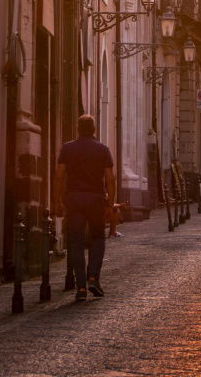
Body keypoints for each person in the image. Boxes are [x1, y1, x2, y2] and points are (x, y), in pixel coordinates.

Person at [54, 114, 115, 302]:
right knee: (97, 238)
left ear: (78, 129)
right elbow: (110, 179)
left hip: (74, 198)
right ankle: (93, 277)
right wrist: (110, 204)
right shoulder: (103, 150)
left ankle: (80, 286)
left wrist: (57, 200)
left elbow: (59, 175)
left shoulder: (67, 148)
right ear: (94, 129)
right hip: (96, 198)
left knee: (75, 242)